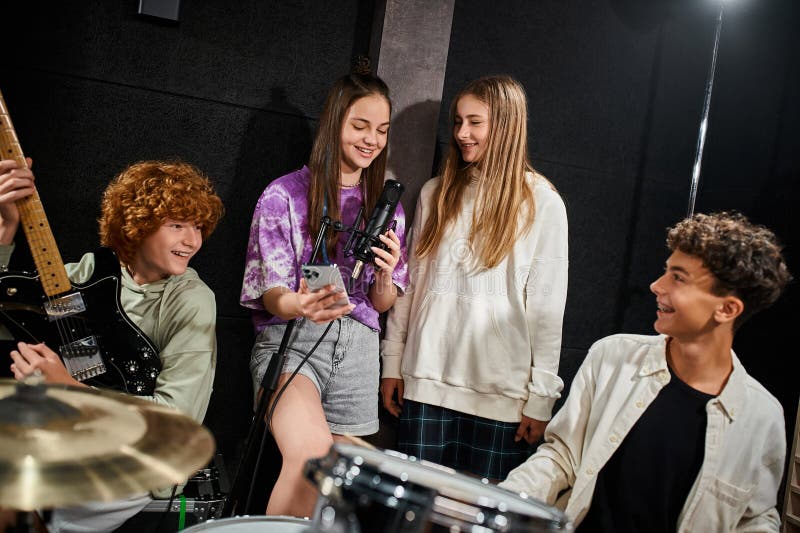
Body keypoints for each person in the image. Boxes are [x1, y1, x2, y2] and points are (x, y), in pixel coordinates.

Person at [500, 212, 792, 532]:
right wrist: (502, 504)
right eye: (666, 271)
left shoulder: (763, 416)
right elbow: (561, 458)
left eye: (678, 277)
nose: (656, 285)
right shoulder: (611, 357)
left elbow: (756, 518)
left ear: (727, 309)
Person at [0, 158, 224, 532]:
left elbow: (177, 421)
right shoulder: (92, 272)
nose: (193, 240)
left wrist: (67, 387)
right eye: (177, 226)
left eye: (199, 227)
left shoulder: (192, 300)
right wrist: (6, 227)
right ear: (138, 225)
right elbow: (12, 305)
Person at [380, 75, 569, 481]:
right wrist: (392, 362)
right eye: (458, 122)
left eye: (474, 122)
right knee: (415, 518)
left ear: (505, 125)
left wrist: (541, 399)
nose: (462, 134)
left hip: (500, 400)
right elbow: (410, 286)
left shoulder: (543, 202)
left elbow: (547, 310)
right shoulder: (436, 192)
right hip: (425, 384)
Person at [239, 65, 408, 517]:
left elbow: (382, 302)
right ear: (335, 123)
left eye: (382, 130)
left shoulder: (387, 209)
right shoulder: (285, 195)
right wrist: (302, 303)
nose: (372, 139)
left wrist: (388, 273)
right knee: (311, 458)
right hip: (293, 343)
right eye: (360, 125)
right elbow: (271, 292)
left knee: (339, 484)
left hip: (359, 352)